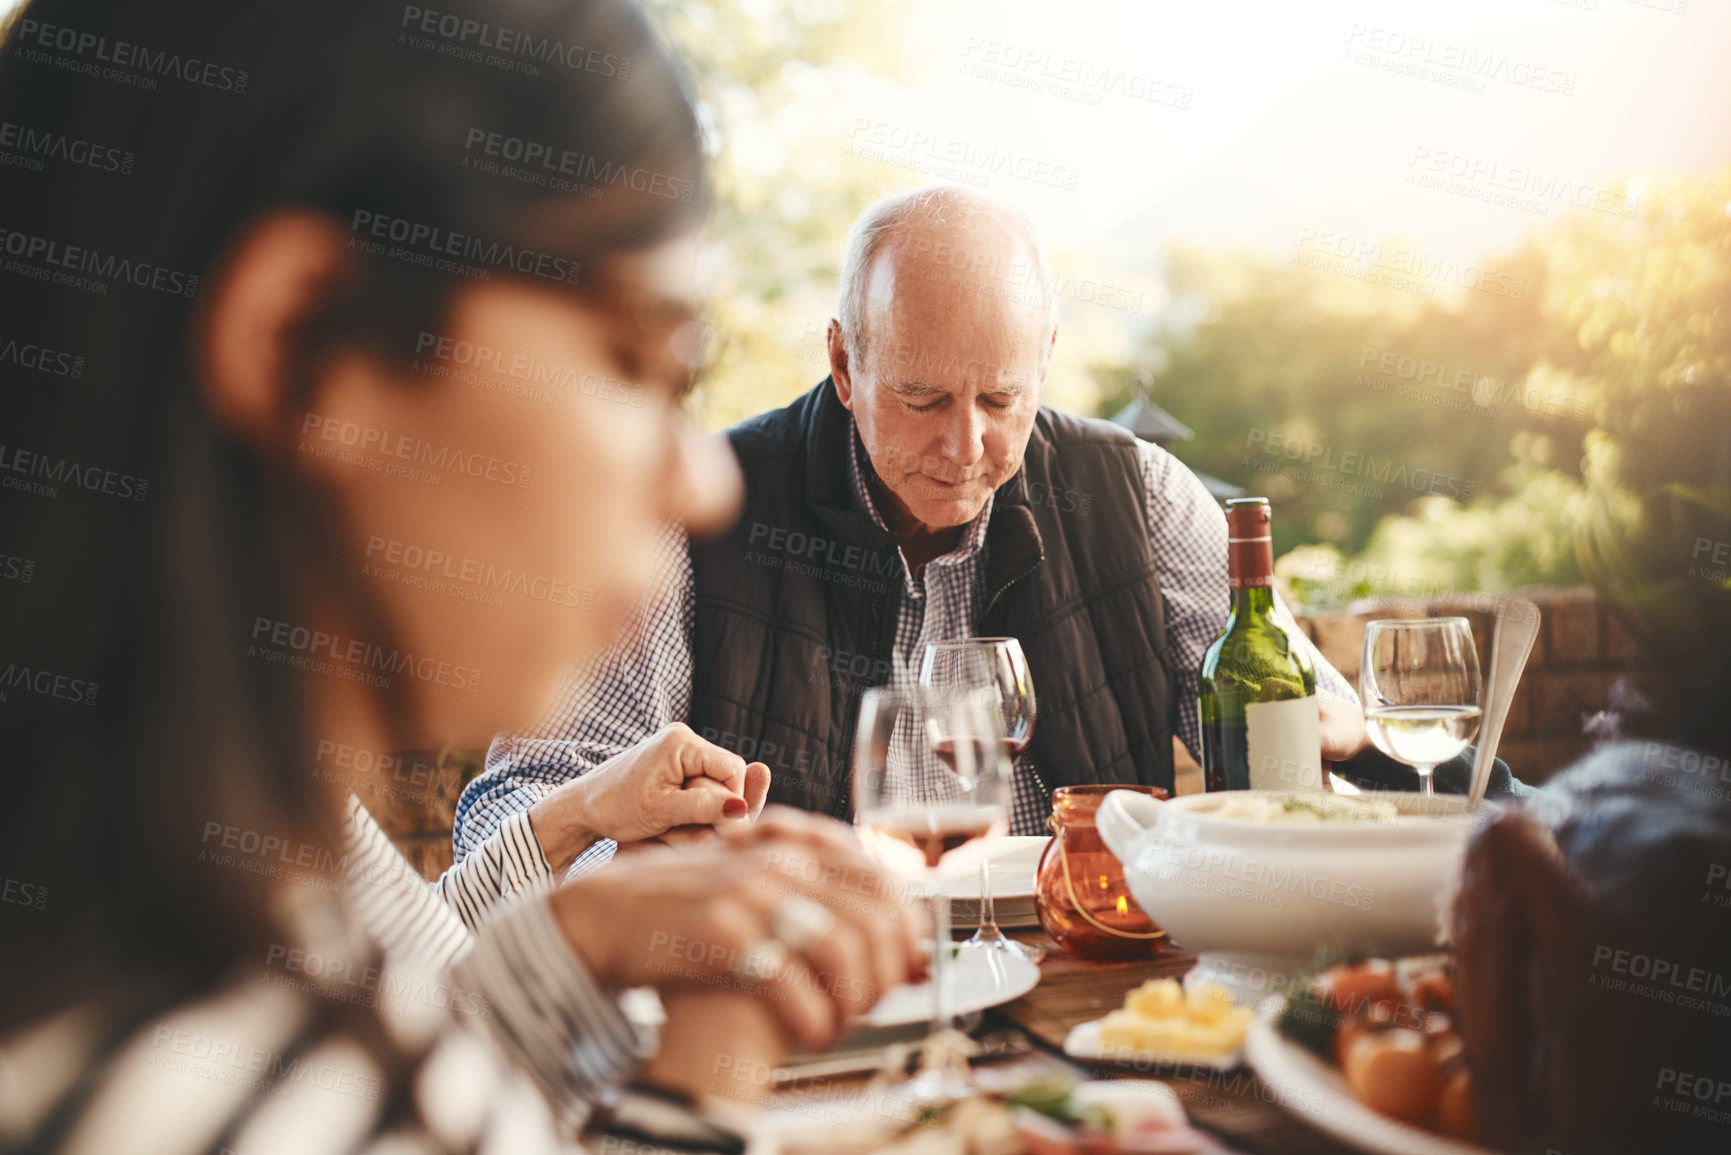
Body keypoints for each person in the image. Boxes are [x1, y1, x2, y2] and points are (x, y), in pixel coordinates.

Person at [0, 1, 920, 1151]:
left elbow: (411, 1020)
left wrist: (590, 916)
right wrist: (705, 1071)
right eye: (638, 360)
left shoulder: (219, 863)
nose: (706, 486)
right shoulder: (169, 1078)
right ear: (302, 340)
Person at [456, 185, 1496, 872]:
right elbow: (500, 825)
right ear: (844, 362)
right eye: (919, 400)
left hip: (1098, 995)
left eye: (1002, 399)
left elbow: (1304, 753)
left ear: (1046, 357)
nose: (965, 447)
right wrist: (628, 862)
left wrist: (1368, 749)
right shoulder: (700, 516)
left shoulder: (1139, 498)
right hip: (801, 1021)